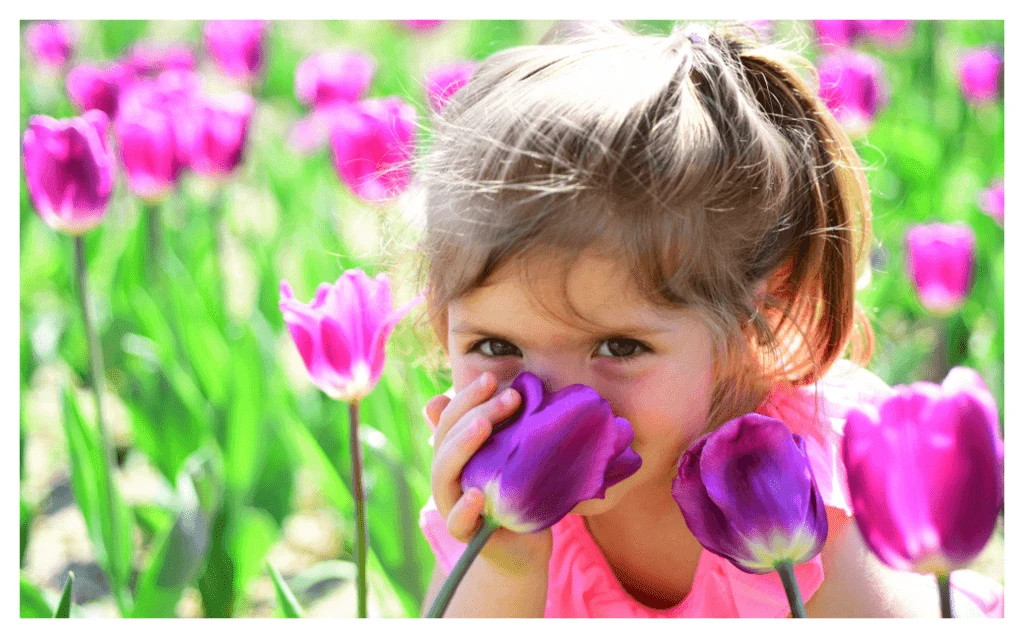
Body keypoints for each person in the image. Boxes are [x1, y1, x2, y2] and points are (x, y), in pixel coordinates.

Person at [411, 20, 1004, 618]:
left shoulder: (787, 495)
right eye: (494, 345)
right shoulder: (494, 498)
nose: (548, 402)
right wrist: (505, 568)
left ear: (758, 327)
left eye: (618, 347)